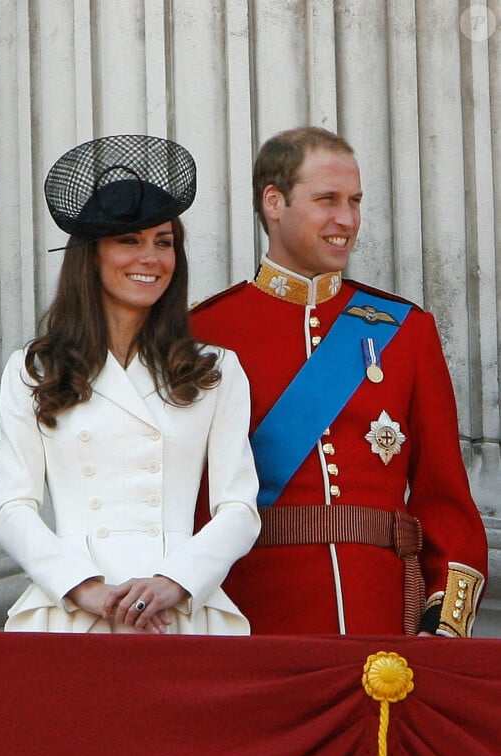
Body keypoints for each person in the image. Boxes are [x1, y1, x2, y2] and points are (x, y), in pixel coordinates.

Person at [191, 126, 488, 637]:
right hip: (249, 622)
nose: (346, 220)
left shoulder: (406, 331)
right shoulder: (201, 333)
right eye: (327, 199)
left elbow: (445, 497)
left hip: (383, 617)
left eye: (354, 201)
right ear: (274, 202)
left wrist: (446, 621)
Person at [0, 134, 260, 634]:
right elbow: (12, 508)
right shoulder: (34, 371)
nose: (150, 258)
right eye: (129, 241)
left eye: (164, 242)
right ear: (91, 256)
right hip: (69, 613)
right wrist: (84, 585)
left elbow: (239, 509)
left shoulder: (214, 369)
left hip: (179, 613)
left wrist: (173, 581)